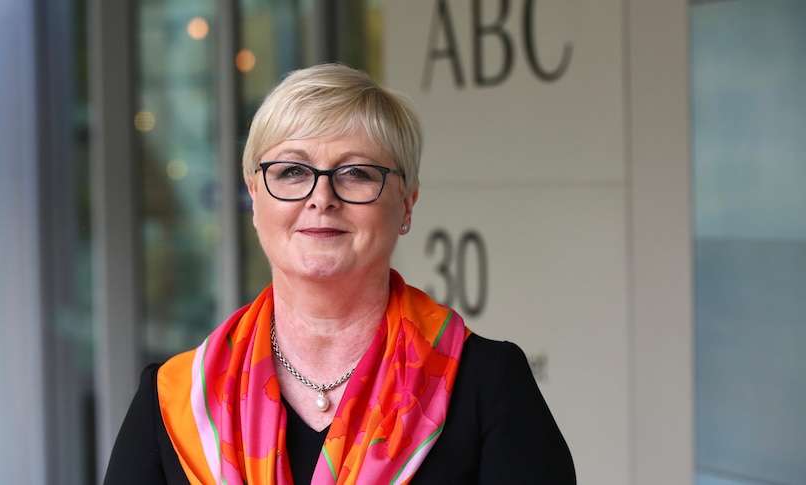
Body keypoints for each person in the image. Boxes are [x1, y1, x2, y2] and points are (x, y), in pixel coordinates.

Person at [104, 63, 576, 484]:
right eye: (291, 171)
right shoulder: (175, 401)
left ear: (407, 203)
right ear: (254, 197)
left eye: (356, 173)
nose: (321, 197)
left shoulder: (486, 385)